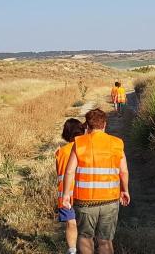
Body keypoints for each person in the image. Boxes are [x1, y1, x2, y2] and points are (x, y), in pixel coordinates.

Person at [61, 109, 130, 254]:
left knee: (85, 238)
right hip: (110, 201)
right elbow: (123, 171)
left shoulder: (79, 143)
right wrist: (125, 190)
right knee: (105, 241)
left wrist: (66, 194)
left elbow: (69, 171)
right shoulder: (117, 143)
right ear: (104, 124)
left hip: (85, 202)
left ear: (87, 126)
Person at [55, 118, 87, 254]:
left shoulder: (61, 152)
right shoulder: (85, 149)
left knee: (71, 222)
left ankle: (72, 250)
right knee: (86, 226)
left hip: (65, 194)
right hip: (83, 192)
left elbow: (59, 172)